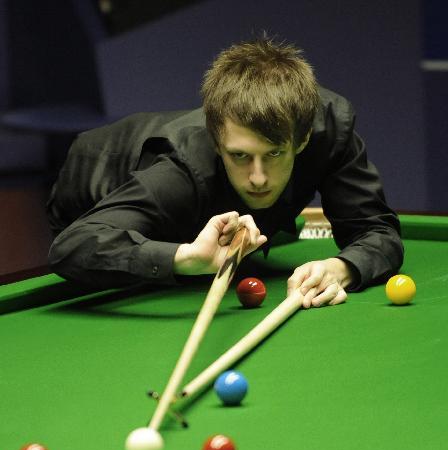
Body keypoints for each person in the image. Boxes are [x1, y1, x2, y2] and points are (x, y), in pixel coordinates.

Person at [46, 37, 403, 309]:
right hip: (97, 191)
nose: (259, 177)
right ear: (217, 142)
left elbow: (377, 231)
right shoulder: (181, 171)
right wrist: (183, 258)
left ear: (303, 137)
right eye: (241, 156)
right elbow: (72, 246)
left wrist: (342, 268)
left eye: (275, 153)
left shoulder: (328, 129)